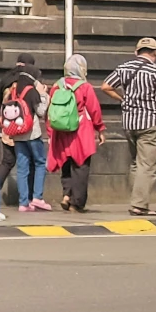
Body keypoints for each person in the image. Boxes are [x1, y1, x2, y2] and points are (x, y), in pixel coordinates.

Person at [102, 36, 156, 215]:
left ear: (136, 52)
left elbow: (105, 86)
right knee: (147, 165)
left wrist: (122, 98)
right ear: (155, 53)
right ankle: (139, 205)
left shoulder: (124, 68)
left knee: (135, 162)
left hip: (129, 122)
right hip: (149, 122)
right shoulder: (154, 71)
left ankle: (136, 201)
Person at [45, 53, 105, 213]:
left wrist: (50, 132)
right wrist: (100, 129)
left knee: (66, 163)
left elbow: (50, 111)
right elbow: (94, 110)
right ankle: (76, 203)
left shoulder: (57, 86)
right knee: (81, 166)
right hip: (80, 131)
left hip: (61, 132)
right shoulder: (85, 87)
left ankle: (66, 194)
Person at [0, 56, 50, 211]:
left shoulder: (14, 90)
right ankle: (37, 198)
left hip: (17, 133)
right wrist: (44, 96)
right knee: (40, 163)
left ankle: (23, 203)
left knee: (22, 167)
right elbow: (40, 112)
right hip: (32, 133)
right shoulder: (31, 90)